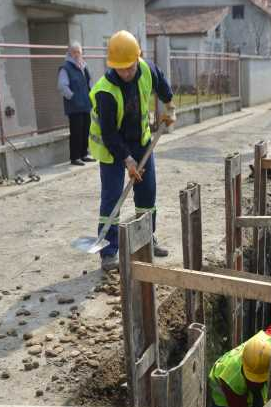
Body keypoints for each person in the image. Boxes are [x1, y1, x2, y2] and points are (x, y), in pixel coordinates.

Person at [89, 30, 176, 270]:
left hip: (141, 143)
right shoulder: (105, 91)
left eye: (129, 67)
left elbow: (162, 84)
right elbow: (109, 135)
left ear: (137, 59)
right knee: (112, 199)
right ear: (113, 66)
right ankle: (108, 251)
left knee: (147, 195)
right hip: (112, 151)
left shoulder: (146, 69)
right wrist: (127, 160)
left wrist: (170, 107)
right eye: (121, 69)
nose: (126, 73)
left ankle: (147, 238)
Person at [57, 41, 94, 166]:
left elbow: (89, 83)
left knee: (86, 130)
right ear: (70, 53)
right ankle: (75, 157)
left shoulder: (83, 66)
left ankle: (84, 154)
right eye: (75, 52)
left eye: (79, 52)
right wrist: (73, 98)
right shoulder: (65, 68)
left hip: (85, 105)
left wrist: (91, 96)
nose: (78, 54)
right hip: (74, 106)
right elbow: (62, 87)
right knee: (76, 132)